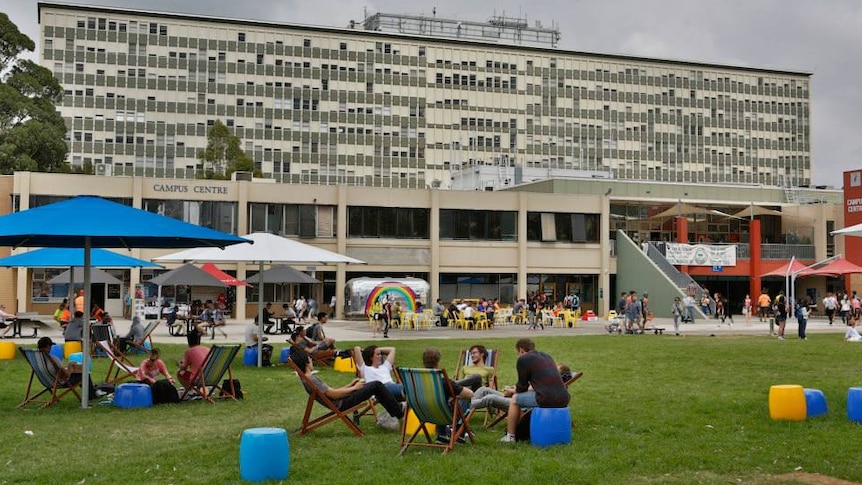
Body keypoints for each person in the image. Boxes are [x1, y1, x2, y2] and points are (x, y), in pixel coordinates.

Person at [290, 346, 404, 430]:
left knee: (376, 386)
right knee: (377, 385)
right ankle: (399, 412)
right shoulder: (312, 379)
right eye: (309, 360)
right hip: (342, 404)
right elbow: (334, 394)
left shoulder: (307, 379)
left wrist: (350, 385)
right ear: (306, 363)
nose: (311, 361)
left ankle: (396, 410)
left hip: (340, 401)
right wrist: (355, 388)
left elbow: (332, 392)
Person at [500, 338, 569, 443]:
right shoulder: (547, 356)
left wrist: (511, 391)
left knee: (515, 399)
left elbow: (521, 387)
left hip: (546, 399)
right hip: (564, 397)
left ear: (521, 350)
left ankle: (510, 436)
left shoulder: (523, 359)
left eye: (518, 353)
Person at [421, 348, 474, 443]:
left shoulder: (414, 382)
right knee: (463, 399)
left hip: (422, 413)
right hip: (443, 414)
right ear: (437, 362)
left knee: (439, 403)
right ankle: (459, 434)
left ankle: (442, 435)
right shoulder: (443, 382)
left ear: (423, 362)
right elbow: (470, 394)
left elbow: (404, 395)